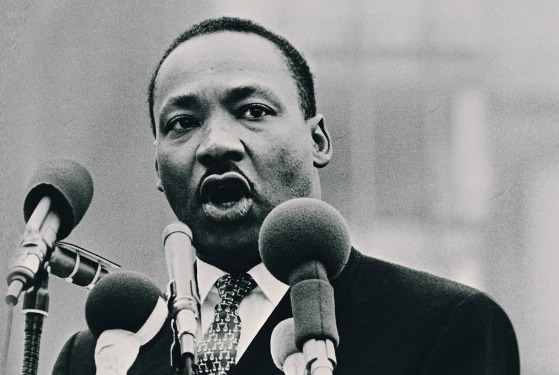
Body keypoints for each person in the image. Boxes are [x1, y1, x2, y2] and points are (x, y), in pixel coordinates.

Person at [53, 17, 519, 375]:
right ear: (157, 167)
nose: (216, 143)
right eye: (182, 123)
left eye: (253, 111)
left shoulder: (440, 323)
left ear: (317, 141)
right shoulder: (101, 354)